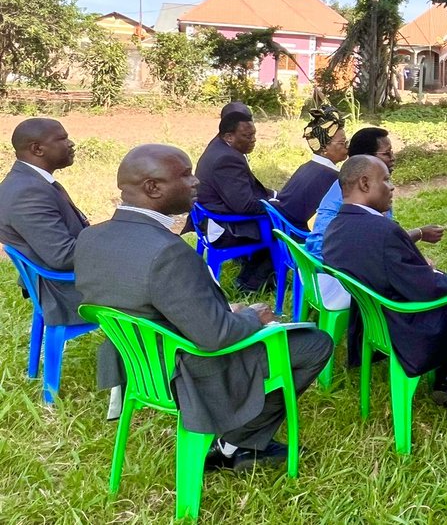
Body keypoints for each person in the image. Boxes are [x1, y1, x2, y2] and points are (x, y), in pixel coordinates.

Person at [74, 145, 332, 471]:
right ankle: (237, 444)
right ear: (152, 188)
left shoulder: (90, 238)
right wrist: (253, 316)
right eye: (185, 175)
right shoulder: (168, 252)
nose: (196, 181)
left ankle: (235, 440)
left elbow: (142, 300)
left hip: (137, 361)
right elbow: (216, 338)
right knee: (313, 344)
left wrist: (220, 310)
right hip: (187, 369)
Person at [322, 156, 447, 416]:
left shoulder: (336, 226)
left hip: (374, 320)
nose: (391, 187)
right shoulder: (383, 230)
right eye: (386, 179)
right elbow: (426, 289)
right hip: (407, 325)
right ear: (365, 183)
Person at [308, 127, 444, 310]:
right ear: (367, 161)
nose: (393, 158)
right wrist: (418, 266)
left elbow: (381, 242)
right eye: (387, 154)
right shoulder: (359, 202)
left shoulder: (353, 196)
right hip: (336, 277)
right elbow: (379, 244)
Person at [0, 118, 89, 328]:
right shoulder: (26, 192)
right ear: (38, 149)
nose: (71, 143)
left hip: (67, 281)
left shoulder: (28, 182)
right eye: (62, 138)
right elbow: (63, 256)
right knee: (158, 283)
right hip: (66, 292)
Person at [194, 110, 275, 292]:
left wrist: (274, 195)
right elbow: (244, 205)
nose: (253, 140)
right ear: (229, 137)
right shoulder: (227, 159)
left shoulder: (220, 146)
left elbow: (243, 190)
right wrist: (275, 205)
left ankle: (261, 275)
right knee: (284, 229)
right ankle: (251, 284)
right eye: (247, 136)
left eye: (254, 134)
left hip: (212, 216)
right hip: (223, 228)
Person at [272, 106, 348, 229]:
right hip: (300, 233)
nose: (346, 147)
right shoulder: (333, 176)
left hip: (284, 227)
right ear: (324, 148)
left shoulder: (307, 166)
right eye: (342, 143)